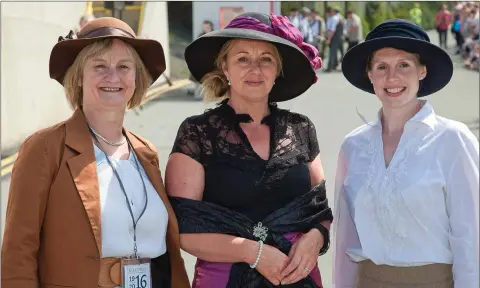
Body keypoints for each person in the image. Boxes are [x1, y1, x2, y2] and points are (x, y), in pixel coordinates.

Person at [1, 17, 190, 288]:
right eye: (99, 66)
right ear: (78, 77)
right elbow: (18, 251)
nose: (113, 76)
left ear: (136, 79)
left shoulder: (145, 151)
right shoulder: (45, 148)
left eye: (124, 66)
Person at [166, 12, 333, 287]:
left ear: (277, 70)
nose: (255, 69)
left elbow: (320, 213)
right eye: (243, 59)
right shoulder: (197, 132)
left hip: (298, 277)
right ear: (225, 67)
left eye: (266, 59)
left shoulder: (301, 128)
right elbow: (183, 229)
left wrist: (316, 237)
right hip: (224, 280)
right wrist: (253, 253)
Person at [334, 18, 479, 288]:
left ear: (422, 71)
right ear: (370, 75)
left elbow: (471, 238)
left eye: (404, 65)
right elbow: (346, 238)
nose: (392, 78)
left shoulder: (453, 140)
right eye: (381, 67)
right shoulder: (353, 146)